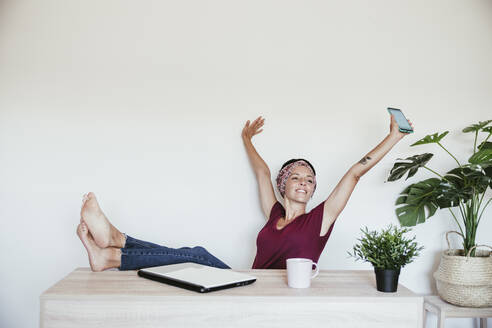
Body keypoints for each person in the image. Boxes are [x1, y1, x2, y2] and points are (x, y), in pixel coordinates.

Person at [77, 114, 413, 271]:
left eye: (310, 179)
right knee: (193, 255)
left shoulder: (320, 220)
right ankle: (114, 245)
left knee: (197, 254)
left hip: (271, 298)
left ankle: (113, 250)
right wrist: (248, 140)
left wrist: (394, 137)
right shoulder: (274, 214)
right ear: (284, 185)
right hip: (249, 286)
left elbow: (355, 173)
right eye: (296, 176)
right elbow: (262, 172)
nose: (304, 182)